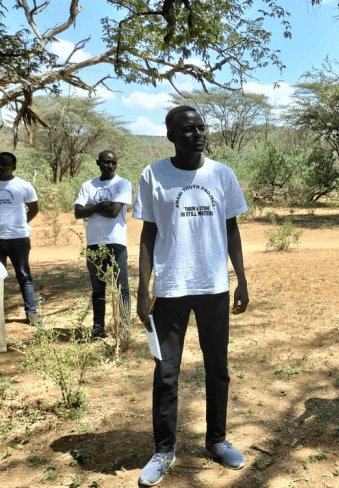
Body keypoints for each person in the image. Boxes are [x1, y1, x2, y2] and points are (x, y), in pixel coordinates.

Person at [133, 106, 249, 486]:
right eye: (188, 129)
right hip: (170, 288)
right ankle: (164, 450)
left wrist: (242, 279)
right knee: (166, 373)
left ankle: (217, 440)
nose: (198, 134)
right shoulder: (153, 175)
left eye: (202, 127)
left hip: (213, 285)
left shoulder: (221, 173)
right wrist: (142, 285)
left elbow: (231, 229)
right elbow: (148, 233)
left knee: (218, 368)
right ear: (170, 135)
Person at [74, 150, 132, 339]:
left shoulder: (122, 184)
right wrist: (100, 205)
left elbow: (114, 211)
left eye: (113, 162)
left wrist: (91, 208)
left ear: (117, 163)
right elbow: (78, 212)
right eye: (106, 162)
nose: (109, 166)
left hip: (116, 241)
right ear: (97, 163)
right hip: (94, 244)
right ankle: (98, 328)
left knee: (122, 286)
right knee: (98, 287)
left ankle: (123, 327)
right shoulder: (88, 185)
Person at [0, 151, 40, 325]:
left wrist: (20, 224)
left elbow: (34, 209)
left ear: (14, 166)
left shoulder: (24, 186)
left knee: (23, 275)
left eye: (5, 165)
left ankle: (31, 314)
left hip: (18, 239)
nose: (1, 168)